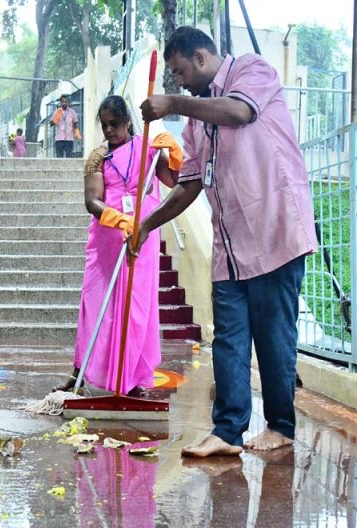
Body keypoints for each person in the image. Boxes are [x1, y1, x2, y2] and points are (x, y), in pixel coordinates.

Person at [136, 26, 317, 457]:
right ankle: (227, 431)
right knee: (230, 338)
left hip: (275, 231)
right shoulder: (198, 124)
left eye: (180, 72)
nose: (179, 82)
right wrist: (148, 223)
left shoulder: (252, 71)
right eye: (175, 80)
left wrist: (175, 104)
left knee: (274, 337)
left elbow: (238, 113)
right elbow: (190, 183)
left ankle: (280, 427)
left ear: (200, 58)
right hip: (231, 246)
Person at [54, 95, 180, 395]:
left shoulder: (147, 148)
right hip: (108, 240)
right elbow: (91, 201)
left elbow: (175, 181)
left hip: (142, 236)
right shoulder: (98, 157)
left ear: (127, 122)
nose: (110, 130)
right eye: (105, 125)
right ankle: (79, 373)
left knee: (137, 307)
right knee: (96, 304)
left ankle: (133, 379)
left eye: (115, 124)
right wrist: (118, 219)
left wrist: (174, 154)